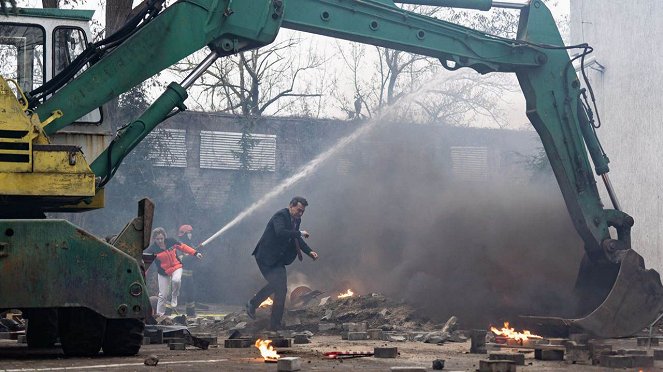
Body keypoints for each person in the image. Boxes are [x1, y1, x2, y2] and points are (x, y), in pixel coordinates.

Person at [246, 196, 319, 331]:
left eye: (302, 211)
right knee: (276, 285)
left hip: (278, 260)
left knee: (281, 289)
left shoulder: (297, 220)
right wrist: (300, 233)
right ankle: (252, 303)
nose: (300, 213)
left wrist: (309, 252)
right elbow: (281, 233)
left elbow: (295, 238)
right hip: (265, 257)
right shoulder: (280, 216)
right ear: (291, 206)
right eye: (298, 210)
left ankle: (275, 325)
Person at [145, 227, 202, 316]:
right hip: (164, 273)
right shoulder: (152, 250)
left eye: (161, 238)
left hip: (177, 269)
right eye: (157, 239)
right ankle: (161, 315)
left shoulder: (172, 241)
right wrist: (142, 274)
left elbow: (183, 247)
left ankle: (180, 302)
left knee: (178, 283)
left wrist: (195, 253)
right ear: (154, 239)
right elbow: (146, 264)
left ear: (165, 237)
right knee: (163, 295)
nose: (160, 241)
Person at [177, 224, 200, 317]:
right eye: (189, 233)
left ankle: (191, 314)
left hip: (189, 276)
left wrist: (197, 253)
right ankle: (166, 314)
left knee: (190, 296)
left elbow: (195, 260)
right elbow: (180, 259)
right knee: (174, 295)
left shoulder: (192, 246)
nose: (191, 235)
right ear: (185, 234)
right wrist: (191, 254)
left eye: (191, 233)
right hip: (179, 275)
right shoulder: (178, 245)